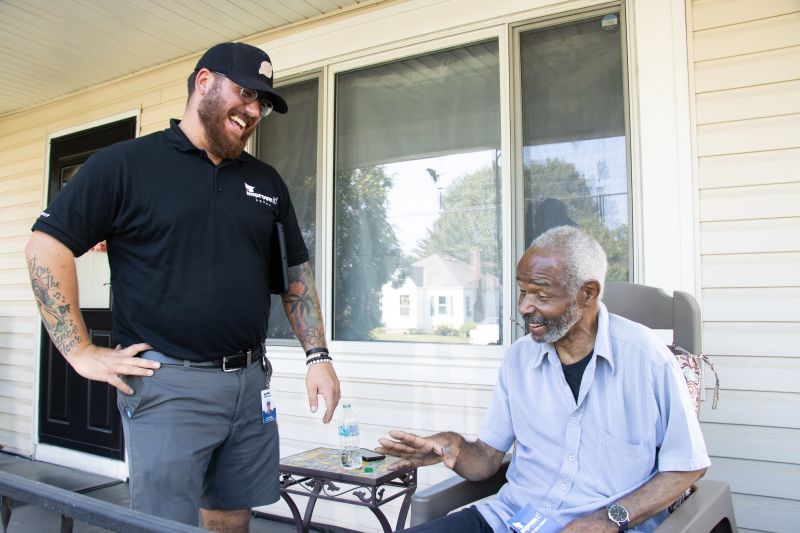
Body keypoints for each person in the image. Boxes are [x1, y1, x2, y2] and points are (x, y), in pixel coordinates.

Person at [25, 42, 340, 532]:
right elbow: (47, 247)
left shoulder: (266, 182)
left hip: (250, 381)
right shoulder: (125, 165)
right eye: (246, 93)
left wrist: (317, 357)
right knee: (162, 525)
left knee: (233, 515)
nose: (254, 110)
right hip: (168, 384)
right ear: (204, 81)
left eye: (262, 103)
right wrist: (79, 350)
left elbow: (294, 273)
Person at [377, 226, 710, 533]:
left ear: (588, 293)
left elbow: (687, 466)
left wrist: (609, 519)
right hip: (510, 519)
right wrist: (451, 446)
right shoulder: (519, 359)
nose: (524, 306)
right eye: (523, 292)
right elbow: (486, 461)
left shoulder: (647, 358)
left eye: (541, 295)